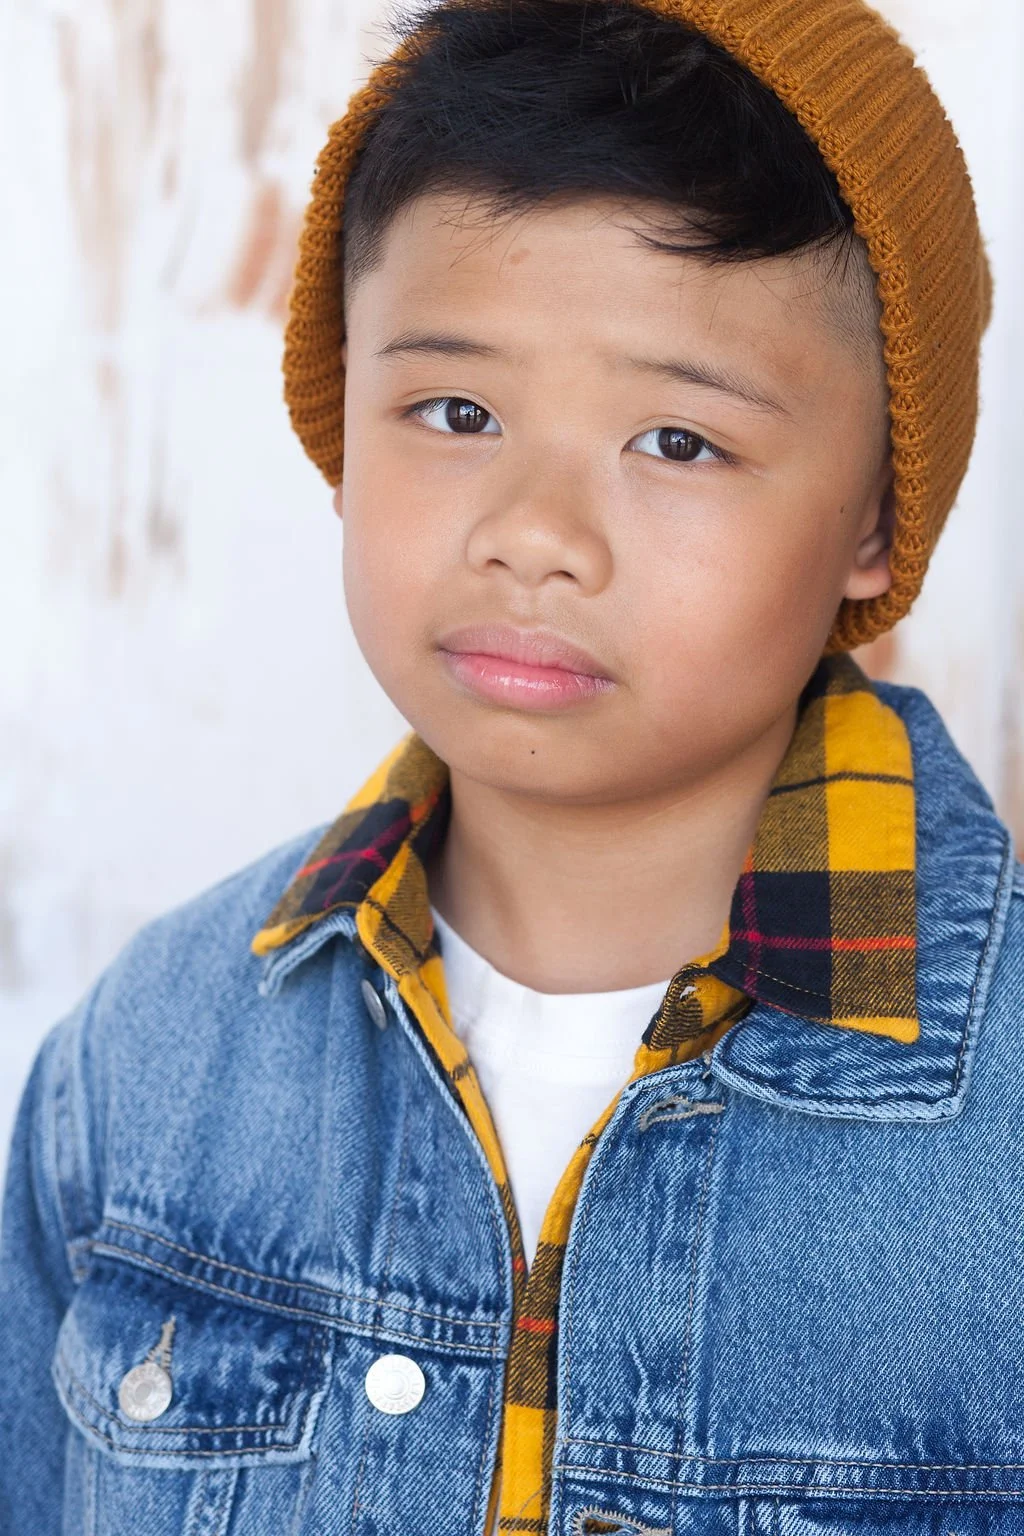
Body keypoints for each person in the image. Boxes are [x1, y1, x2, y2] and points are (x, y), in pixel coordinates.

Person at [1, 0, 1019, 1532]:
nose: (532, 531)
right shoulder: (147, 1065)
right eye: (457, 412)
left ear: (878, 513)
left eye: (676, 440)